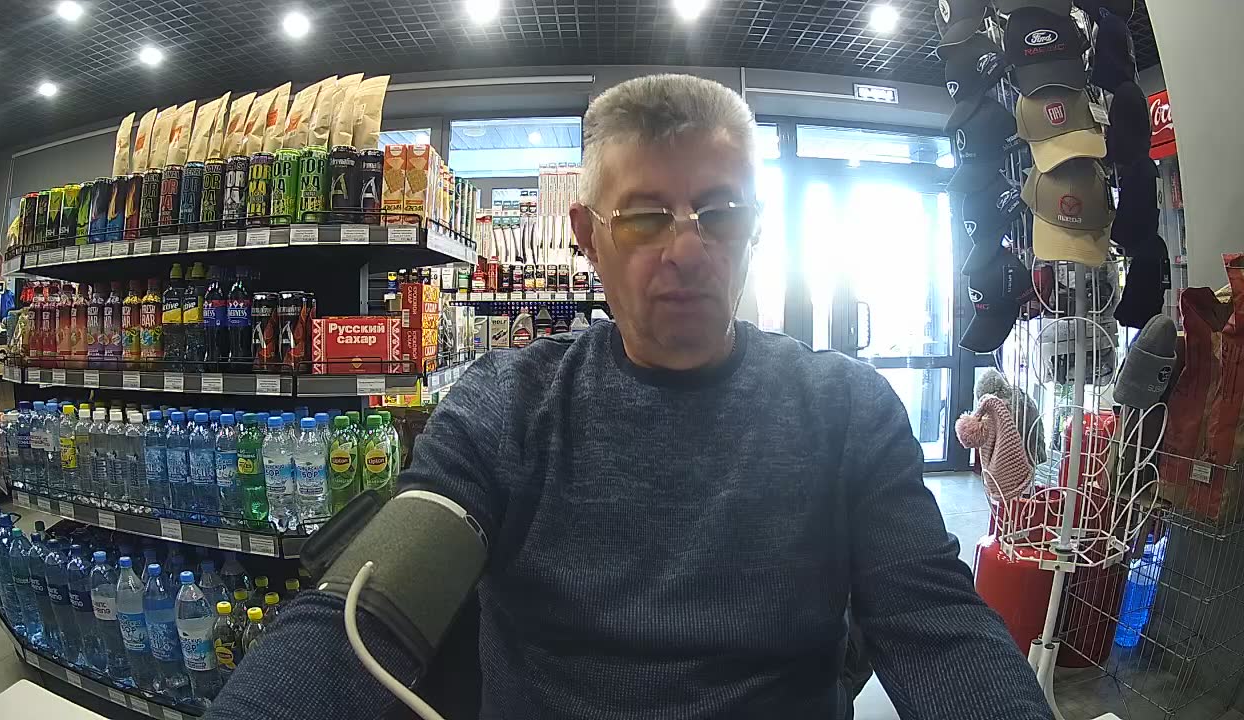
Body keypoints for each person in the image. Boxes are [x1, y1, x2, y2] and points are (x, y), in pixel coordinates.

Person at [207, 75, 1051, 720]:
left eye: (719, 213)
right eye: (645, 218)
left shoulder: (847, 411)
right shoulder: (506, 407)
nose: (685, 250)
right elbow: (363, 614)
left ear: (756, 228)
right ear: (588, 238)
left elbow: (937, 624)